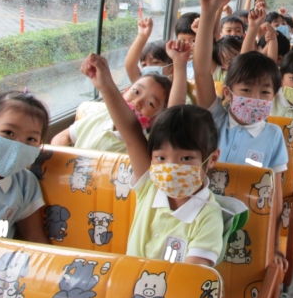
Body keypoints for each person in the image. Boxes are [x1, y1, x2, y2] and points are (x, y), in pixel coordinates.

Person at [80, 47, 227, 264]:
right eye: (160, 158)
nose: (171, 167)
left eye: (185, 159)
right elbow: (131, 132)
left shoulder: (208, 217)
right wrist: (106, 85)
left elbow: (191, 278)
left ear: (211, 158)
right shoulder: (150, 186)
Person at [193, 0, 289, 272]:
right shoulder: (215, 117)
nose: (255, 99)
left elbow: (275, 195)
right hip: (204, 214)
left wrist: (273, 245)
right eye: (246, 91)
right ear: (228, 93)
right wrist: (209, 14)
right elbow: (200, 71)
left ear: (273, 98)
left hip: (249, 221)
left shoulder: (273, 136)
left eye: (264, 93)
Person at [0, 90, 49, 242]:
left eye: (31, 139)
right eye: (8, 132)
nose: (18, 145)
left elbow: (34, 237)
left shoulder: (26, 184)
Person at [50, 71, 171, 153]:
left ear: (156, 118)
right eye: (136, 92)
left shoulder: (147, 145)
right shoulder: (103, 115)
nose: (137, 102)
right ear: (125, 91)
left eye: (150, 103)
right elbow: (63, 136)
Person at [124, 18, 173, 84]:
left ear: (172, 67)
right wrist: (142, 36)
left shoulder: (175, 86)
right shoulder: (143, 83)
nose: (148, 68)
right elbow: (130, 65)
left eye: (155, 63)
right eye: (144, 65)